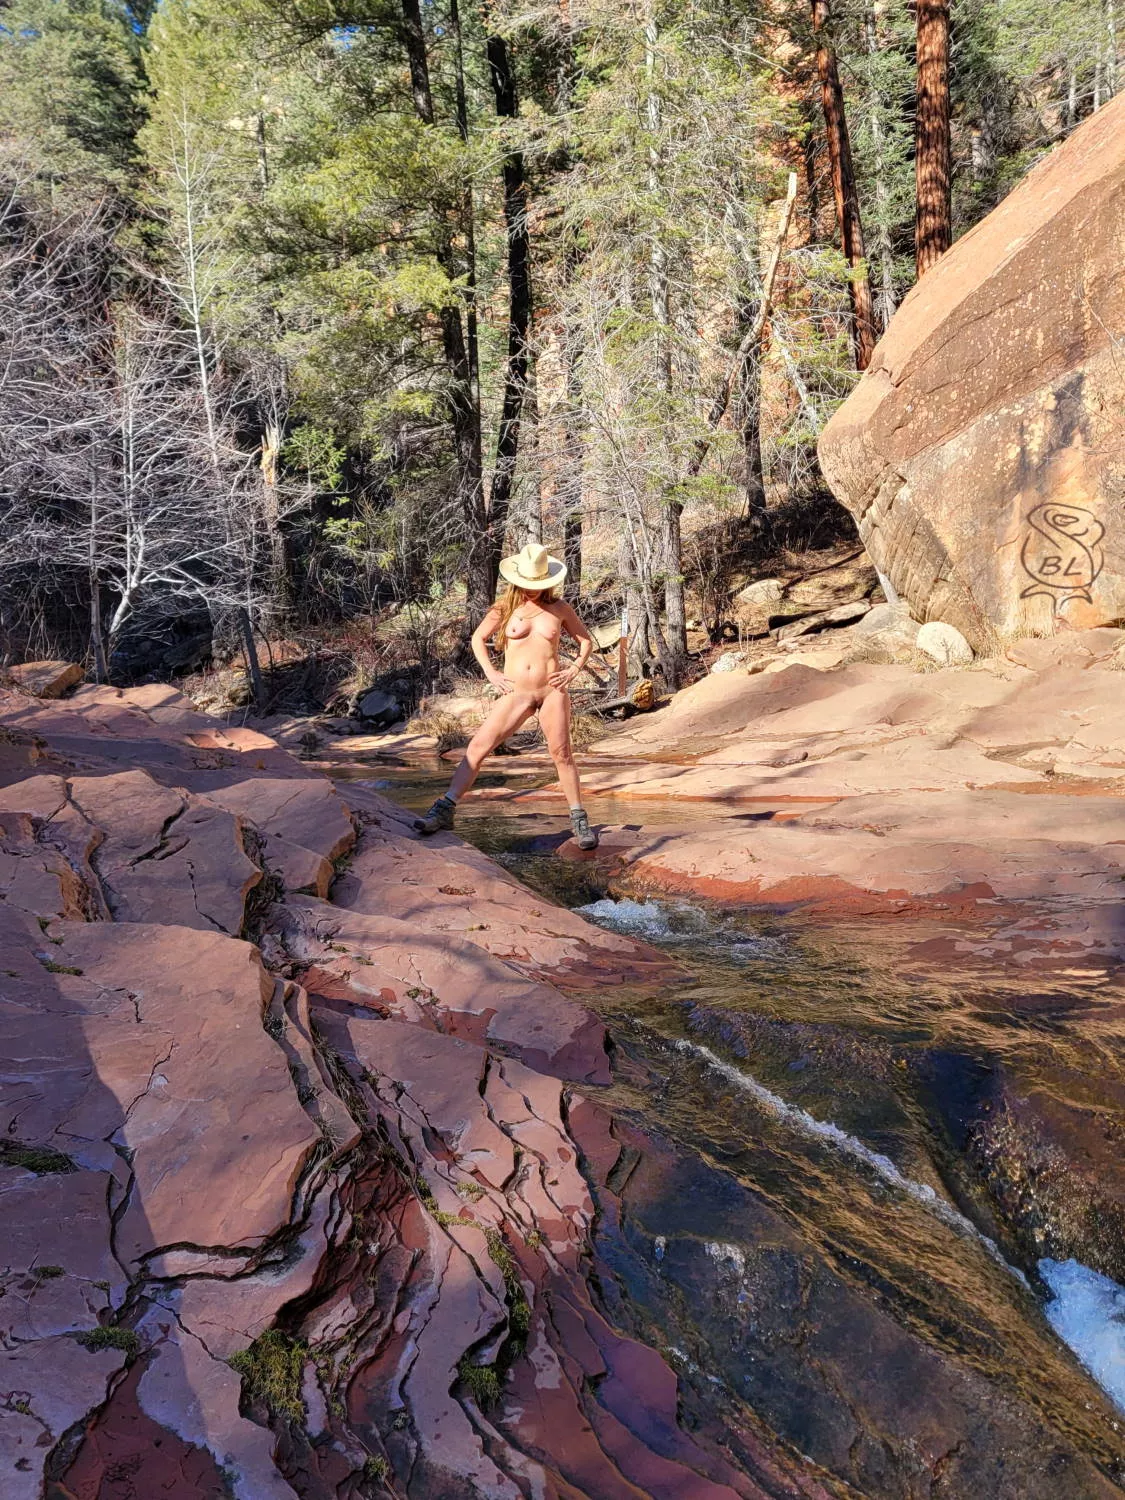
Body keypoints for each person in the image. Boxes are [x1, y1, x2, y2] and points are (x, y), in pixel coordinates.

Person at [414, 541, 599, 850]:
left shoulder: (559, 608)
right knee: (477, 747)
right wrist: (490, 672)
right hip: (516, 692)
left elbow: (585, 642)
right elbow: (477, 638)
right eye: (527, 584)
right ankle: (444, 809)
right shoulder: (504, 609)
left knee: (562, 754)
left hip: (552, 691)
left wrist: (574, 669)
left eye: (538, 584)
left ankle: (579, 821)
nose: (532, 590)